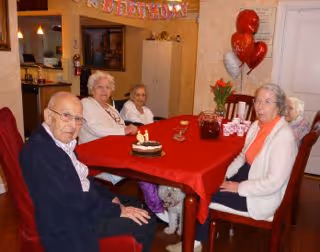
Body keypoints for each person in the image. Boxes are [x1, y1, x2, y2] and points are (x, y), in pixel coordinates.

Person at [167, 83, 298, 252]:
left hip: (262, 196)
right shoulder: (257, 126)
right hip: (251, 176)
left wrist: (239, 187)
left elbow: (273, 182)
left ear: (278, 106)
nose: (259, 106)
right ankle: (204, 230)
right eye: (257, 101)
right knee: (208, 183)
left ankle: (194, 243)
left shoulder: (283, 137)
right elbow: (242, 157)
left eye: (267, 102)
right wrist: (224, 175)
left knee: (202, 194)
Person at [19, 92, 156, 252]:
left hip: (83, 205)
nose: (72, 125)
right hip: (73, 224)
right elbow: (73, 201)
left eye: (78, 119)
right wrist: (117, 210)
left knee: (138, 205)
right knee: (146, 220)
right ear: (48, 116)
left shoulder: (58, 141)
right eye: (66, 116)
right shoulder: (41, 153)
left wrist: (112, 197)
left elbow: (83, 179)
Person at [121, 83, 169, 223]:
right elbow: (136, 124)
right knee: (150, 169)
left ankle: (164, 198)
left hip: (147, 143)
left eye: (143, 95)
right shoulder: (128, 106)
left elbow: (152, 127)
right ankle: (155, 206)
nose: (140, 98)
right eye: (137, 94)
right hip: (131, 145)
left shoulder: (147, 110)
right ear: (132, 96)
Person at [78, 71, 138, 144]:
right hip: (93, 148)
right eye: (100, 87)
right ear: (92, 89)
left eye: (108, 87)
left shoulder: (111, 108)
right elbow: (95, 129)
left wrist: (128, 128)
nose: (104, 90)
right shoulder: (86, 103)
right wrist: (124, 130)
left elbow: (121, 126)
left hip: (113, 145)